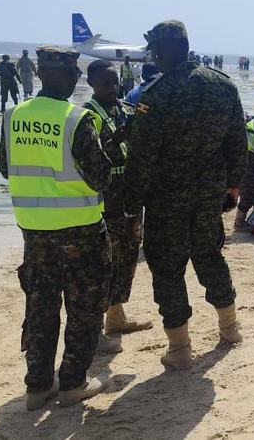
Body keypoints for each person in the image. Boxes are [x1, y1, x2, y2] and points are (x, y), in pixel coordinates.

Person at [123, 20, 247, 370]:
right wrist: (233, 185)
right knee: (209, 255)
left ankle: (179, 348)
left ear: (162, 51)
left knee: (167, 267)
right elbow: (237, 141)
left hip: (166, 197)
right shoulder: (223, 86)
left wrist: (131, 206)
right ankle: (230, 328)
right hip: (209, 192)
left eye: (154, 51)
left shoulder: (155, 95)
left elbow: (141, 158)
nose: (153, 57)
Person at [0, 46, 113, 410]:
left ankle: (38, 387)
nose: (77, 79)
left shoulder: (12, 115)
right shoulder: (75, 119)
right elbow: (100, 178)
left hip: (34, 233)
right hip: (80, 231)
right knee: (84, 308)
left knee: (41, 308)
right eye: (74, 74)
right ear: (64, 76)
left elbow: (5, 167)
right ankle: (73, 385)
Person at [84, 60, 154, 354]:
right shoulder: (88, 114)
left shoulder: (124, 108)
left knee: (127, 256)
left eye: (115, 83)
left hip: (130, 195)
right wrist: (119, 139)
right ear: (91, 84)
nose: (112, 89)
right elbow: (92, 157)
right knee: (103, 262)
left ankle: (116, 316)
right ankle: (96, 327)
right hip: (105, 200)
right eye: (105, 84)